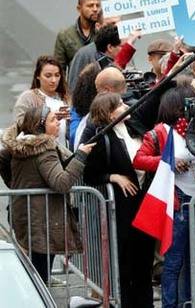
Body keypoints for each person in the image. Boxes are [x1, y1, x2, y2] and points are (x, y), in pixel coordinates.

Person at [133, 82, 195, 308]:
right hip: (178, 203)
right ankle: (170, 304)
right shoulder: (160, 132)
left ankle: (191, 302)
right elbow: (139, 159)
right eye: (191, 102)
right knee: (174, 260)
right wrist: (168, 162)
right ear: (178, 106)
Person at [0, 105, 95, 282]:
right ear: (40, 126)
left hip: (28, 215)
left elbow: (3, 160)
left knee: (37, 270)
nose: (58, 123)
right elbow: (62, 183)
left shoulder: (20, 145)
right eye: (52, 120)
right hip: (42, 220)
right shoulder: (45, 151)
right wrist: (81, 156)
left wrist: (17, 185)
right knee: (40, 275)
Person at [82, 93, 155, 308]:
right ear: (108, 112)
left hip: (146, 204)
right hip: (123, 209)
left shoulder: (135, 127)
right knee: (125, 264)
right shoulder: (101, 137)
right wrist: (112, 177)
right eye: (120, 105)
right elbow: (90, 174)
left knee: (145, 264)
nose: (126, 107)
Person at [14, 55, 71, 147]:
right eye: (48, 76)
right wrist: (49, 118)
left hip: (64, 151)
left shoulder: (65, 97)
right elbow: (20, 127)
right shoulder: (28, 97)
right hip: (40, 151)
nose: (53, 80)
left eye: (57, 75)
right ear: (38, 76)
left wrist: (71, 118)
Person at [67, 24, 139, 90]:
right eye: (123, 46)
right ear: (110, 47)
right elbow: (110, 75)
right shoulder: (95, 68)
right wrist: (128, 46)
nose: (124, 50)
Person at [54, 0, 102, 71]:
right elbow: (59, 68)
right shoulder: (65, 35)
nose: (95, 9)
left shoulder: (102, 33)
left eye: (98, 6)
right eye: (90, 6)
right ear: (79, 9)